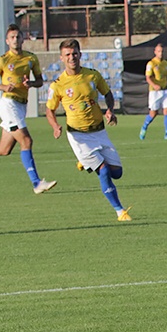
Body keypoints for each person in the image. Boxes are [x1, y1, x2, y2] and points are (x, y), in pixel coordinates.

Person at [45, 39, 131, 221]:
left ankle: (84, 162)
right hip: (78, 135)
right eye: (67, 54)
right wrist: (55, 126)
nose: (72, 57)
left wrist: (110, 110)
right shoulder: (58, 84)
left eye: (74, 53)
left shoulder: (92, 75)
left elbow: (107, 93)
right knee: (104, 170)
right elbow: (49, 109)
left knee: (117, 173)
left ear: (80, 54)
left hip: (99, 131)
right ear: (61, 58)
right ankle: (120, 211)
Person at [0, 24, 56, 194]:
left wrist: (31, 84)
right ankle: (36, 183)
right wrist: (3, 87)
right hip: (8, 104)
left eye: (18, 36)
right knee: (26, 141)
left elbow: (40, 81)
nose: (15, 40)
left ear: (22, 39)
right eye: (12, 37)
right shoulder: (2, 60)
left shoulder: (31, 58)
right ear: (7, 41)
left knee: (3, 149)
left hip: (21, 105)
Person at [139, 43, 167, 140]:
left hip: (165, 90)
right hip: (155, 92)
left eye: (162, 51)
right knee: (153, 113)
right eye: (159, 51)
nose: (161, 53)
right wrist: (154, 85)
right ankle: (144, 127)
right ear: (155, 52)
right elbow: (148, 77)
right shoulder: (151, 64)